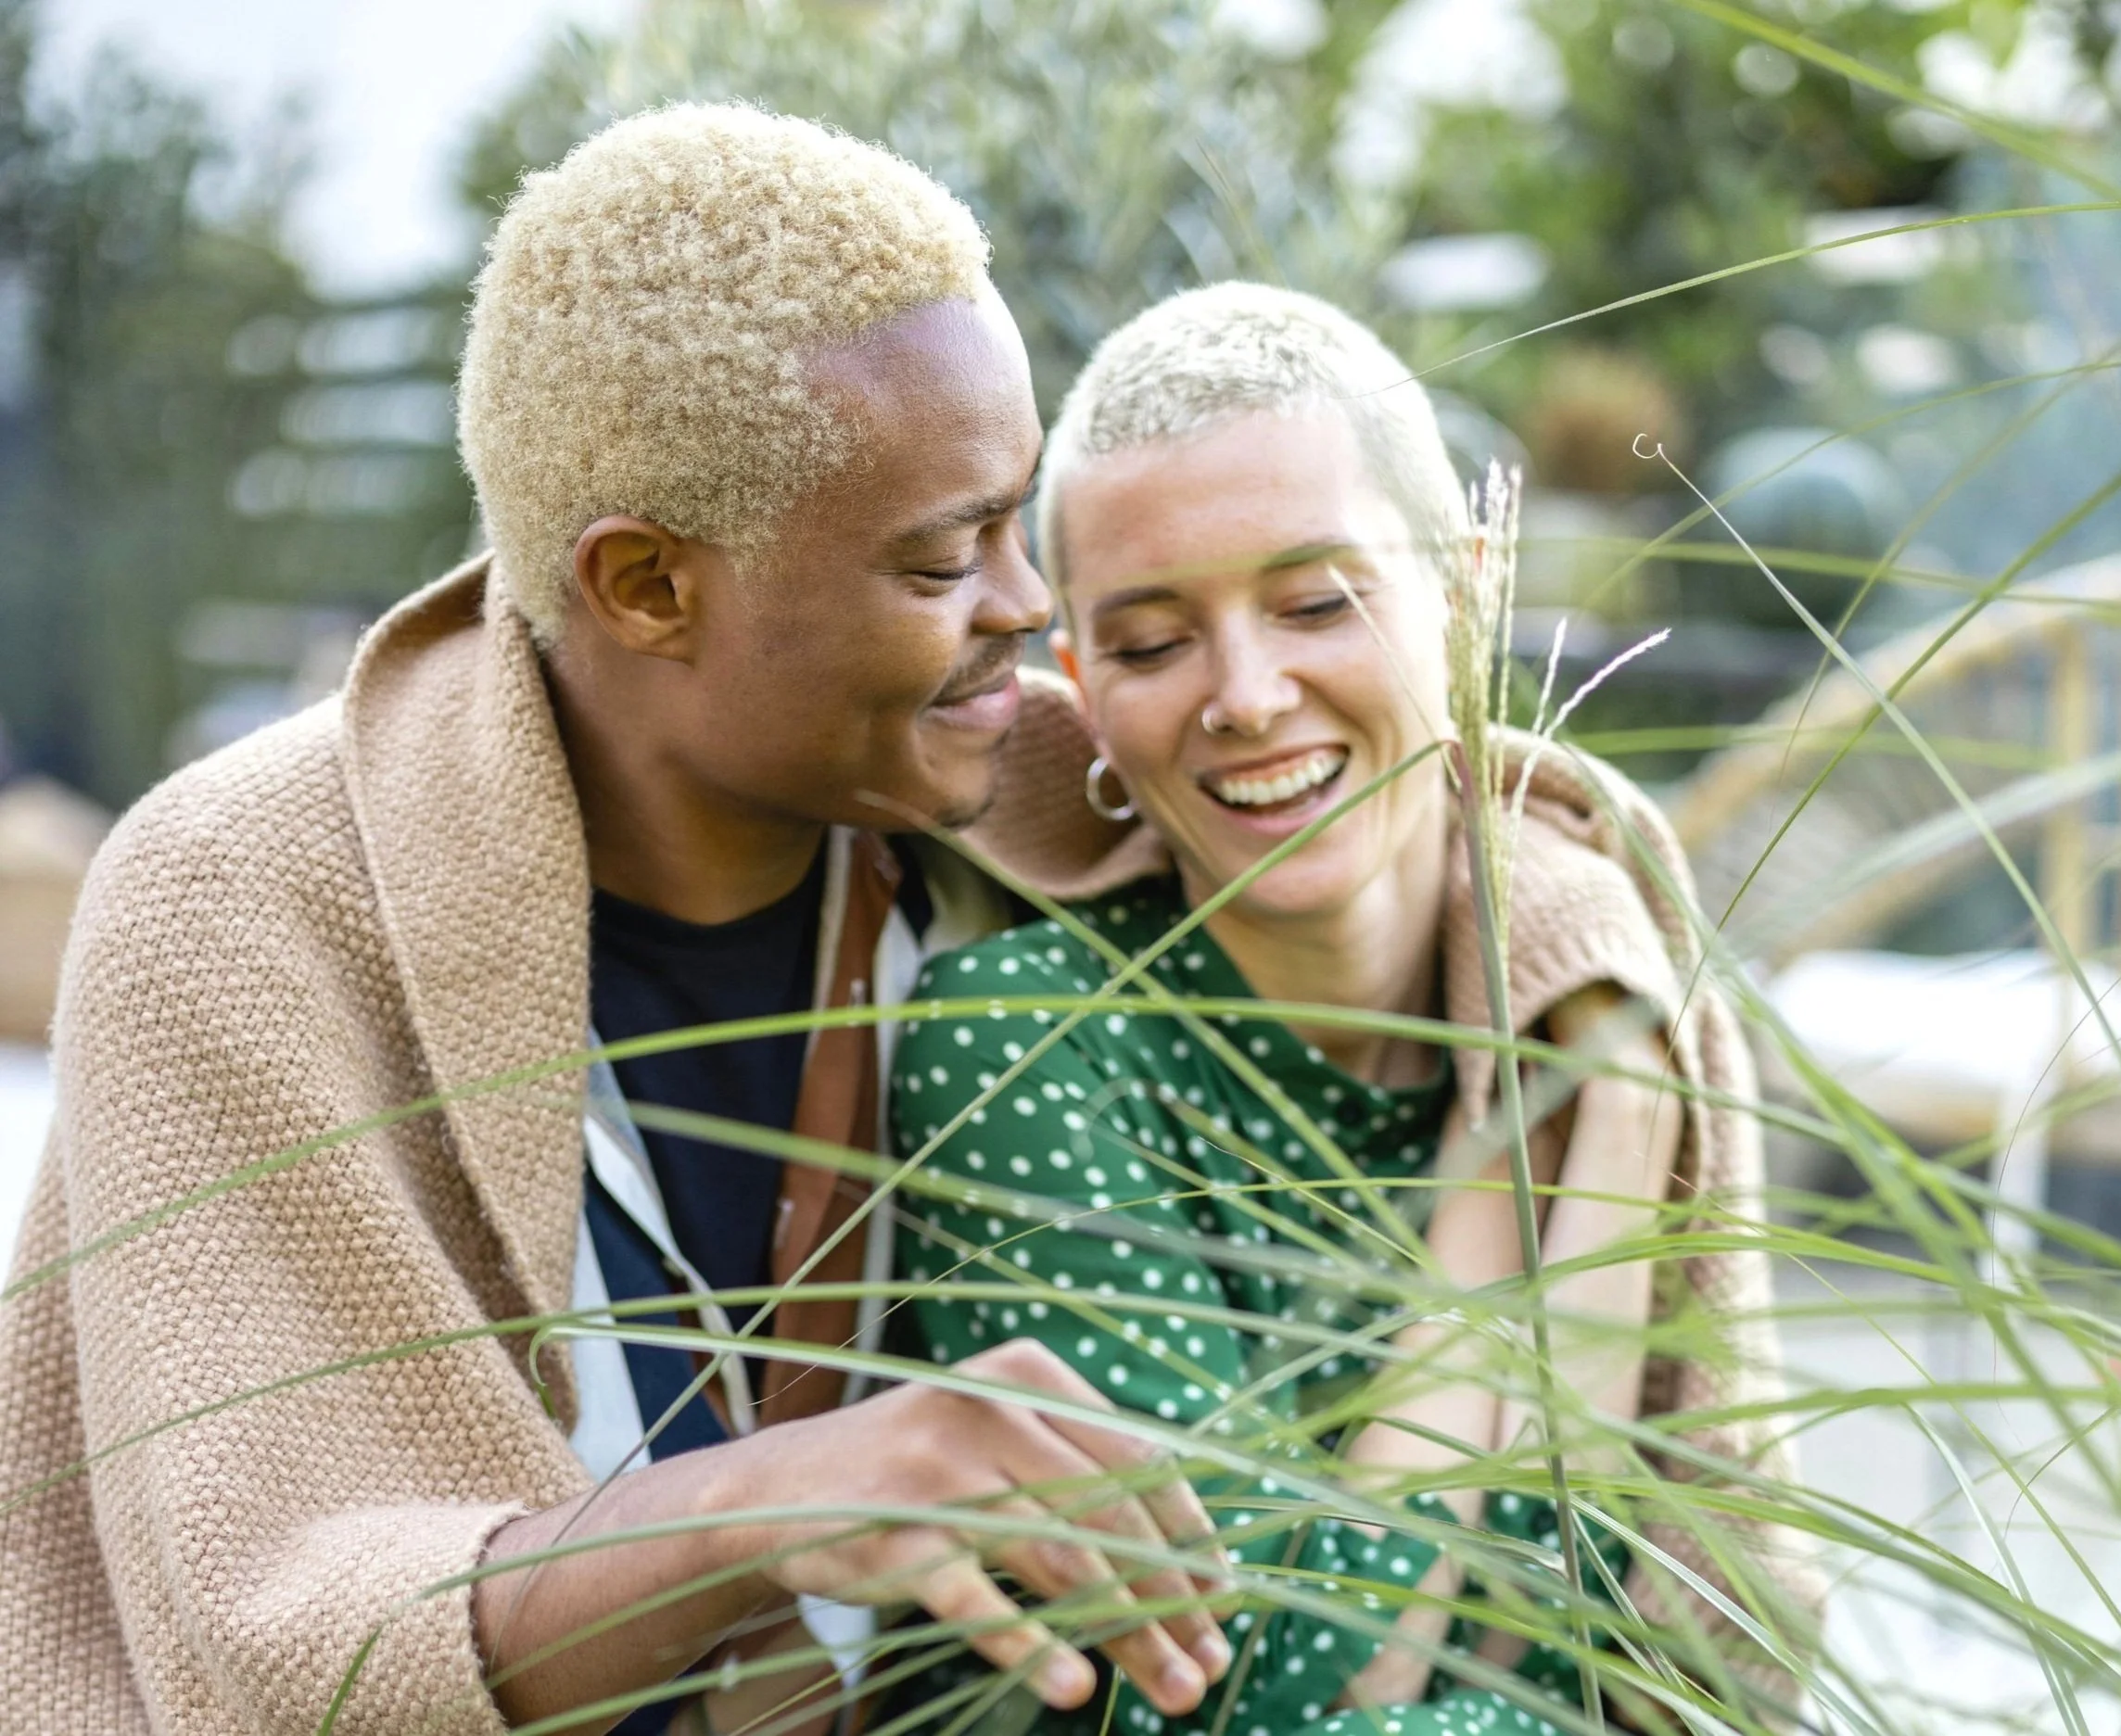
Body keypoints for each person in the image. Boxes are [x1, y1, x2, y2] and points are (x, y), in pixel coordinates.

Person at [0, 108, 1240, 1736]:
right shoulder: (241, 904)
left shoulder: (1025, 777)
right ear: (646, 585)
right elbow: (281, 1652)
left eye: (1017, 518)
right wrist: (776, 1502)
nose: (1027, 607)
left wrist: (1586, 959)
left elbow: (1451, 808)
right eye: (946, 555)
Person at [888, 285, 1819, 1736]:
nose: (1249, 696)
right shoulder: (1031, 1047)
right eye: (1148, 643)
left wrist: (1622, 1105)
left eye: (1318, 603)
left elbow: (1698, 1653)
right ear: (1077, 683)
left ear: (1469, 589)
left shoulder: (1613, 1007)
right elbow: (1246, 1695)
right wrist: (1504, 1195)